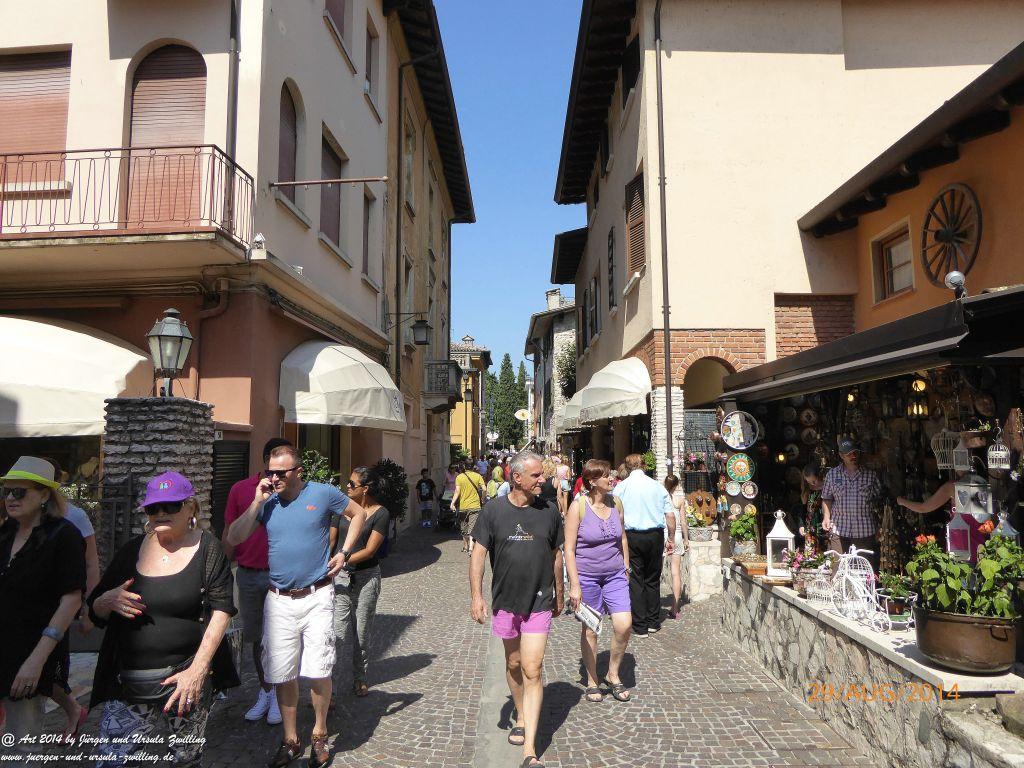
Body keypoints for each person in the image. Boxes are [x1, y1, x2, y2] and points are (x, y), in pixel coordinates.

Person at [225, 445, 366, 768]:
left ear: (298, 472)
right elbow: (234, 536)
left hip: (317, 595)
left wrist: (344, 552)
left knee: (318, 669)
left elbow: (356, 514)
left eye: (280, 472)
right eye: (269, 471)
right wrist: (257, 502)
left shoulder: (322, 493)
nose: (273, 478)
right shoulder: (266, 503)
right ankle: (290, 739)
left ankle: (319, 733)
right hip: (278, 600)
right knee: (283, 672)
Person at [88, 471, 238, 767]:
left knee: (184, 758)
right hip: (129, 682)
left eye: (171, 506)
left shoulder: (208, 550)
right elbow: (95, 607)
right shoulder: (132, 550)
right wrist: (105, 601)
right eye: (153, 508)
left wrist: (197, 671)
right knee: (114, 760)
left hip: (184, 681)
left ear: (191, 508)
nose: (160, 513)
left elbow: (221, 611)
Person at [470, 451, 564, 768]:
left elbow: (556, 555)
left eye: (543, 475)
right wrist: (476, 596)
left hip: (540, 599)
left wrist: (561, 591)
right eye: (537, 476)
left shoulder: (550, 511)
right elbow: (478, 555)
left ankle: (530, 752)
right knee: (513, 663)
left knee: (532, 669)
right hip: (506, 601)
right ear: (517, 477)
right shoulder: (493, 511)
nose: (543, 480)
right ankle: (521, 713)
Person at [0, 457, 85, 747]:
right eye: (6, 492)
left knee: (20, 742)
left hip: (30, 650)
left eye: (19, 492)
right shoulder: (5, 533)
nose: (10, 498)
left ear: (44, 494)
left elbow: (71, 599)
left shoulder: (64, 536)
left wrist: (36, 660)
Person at [222, 437, 292, 725]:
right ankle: (266, 691)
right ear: (266, 461)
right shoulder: (240, 489)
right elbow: (229, 530)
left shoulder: (294, 493)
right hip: (250, 574)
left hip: (284, 575)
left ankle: (281, 695)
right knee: (256, 637)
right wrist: (223, 569)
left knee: (281, 638)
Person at [564, 460, 633, 703]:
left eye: (611, 474)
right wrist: (574, 584)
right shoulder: (578, 507)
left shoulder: (616, 503)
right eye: (606, 475)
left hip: (615, 574)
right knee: (591, 629)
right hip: (587, 577)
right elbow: (569, 549)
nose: (611, 478)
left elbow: (622, 537)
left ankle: (613, 674)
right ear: (592, 481)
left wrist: (625, 566)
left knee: (624, 624)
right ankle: (593, 679)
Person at [42, 458, 99, 737]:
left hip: (58, 608)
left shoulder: (74, 516)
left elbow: (91, 563)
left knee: (47, 672)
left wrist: (90, 608)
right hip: (21, 608)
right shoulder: (15, 520)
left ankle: (73, 709)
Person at [330, 463, 394, 700]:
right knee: (337, 633)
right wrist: (330, 563)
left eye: (352, 484)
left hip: (366, 577)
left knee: (361, 633)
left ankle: (360, 678)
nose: (346, 486)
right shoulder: (341, 509)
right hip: (341, 577)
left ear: (365, 489)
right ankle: (330, 688)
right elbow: (332, 539)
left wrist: (341, 560)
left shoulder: (380, 513)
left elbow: (370, 550)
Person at [612, 454, 676, 636]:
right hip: (654, 535)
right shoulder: (657, 487)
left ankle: (640, 625)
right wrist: (671, 538)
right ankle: (653, 621)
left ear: (628, 467)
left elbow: (615, 514)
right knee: (653, 579)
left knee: (636, 579)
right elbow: (670, 516)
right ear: (644, 466)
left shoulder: (621, 488)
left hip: (631, 536)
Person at [821, 438, 883, 573]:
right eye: (849, 454)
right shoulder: (832, 475)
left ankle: (863, 594)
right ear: (841, 455)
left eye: (855, 452)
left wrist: (880, 526)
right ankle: (838, 593)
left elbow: (879, 502)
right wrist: (826, 517)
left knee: (864, 571)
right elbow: (826, 498)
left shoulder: (870, 475)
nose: (853, 456)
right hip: (839, 528)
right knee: (837, 569)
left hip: (864, 530)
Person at [664, 475, 690, 620]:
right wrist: (687, 539)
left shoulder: (660, 498)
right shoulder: (679, 500)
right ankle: (675, 607)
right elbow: (683, 521)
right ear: (676, 485)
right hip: (678, 535)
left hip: (663, 535)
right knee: (676, 573)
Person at [452, 461, 486, 554]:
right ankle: (470, 547)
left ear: (464, 467)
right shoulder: (478, 476)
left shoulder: (459, 477)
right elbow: (484, 489)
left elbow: (457, 491)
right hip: (475, 506)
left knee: (464, 528)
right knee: (472, 527)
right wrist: (482, 499)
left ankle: (469, 547)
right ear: (473, 467)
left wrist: (452, 503)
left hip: (463, 506)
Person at [798, 464, 826, 555]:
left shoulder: (827, 487)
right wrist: (801, 525)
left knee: (826, 556)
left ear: (819, 476)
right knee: (810, 556)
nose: (812, 484)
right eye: (809, 482)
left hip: (824, 527)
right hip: (810, 528)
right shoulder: (806, 490)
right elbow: (802, 510)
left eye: (814, 481)